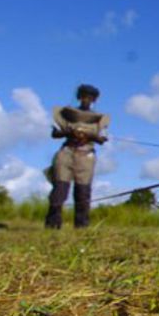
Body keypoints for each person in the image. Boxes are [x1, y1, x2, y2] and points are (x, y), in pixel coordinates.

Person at [44, 84, 110, 229]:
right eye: (84, 97)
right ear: (79, 97)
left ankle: (81, 227)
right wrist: (70, 132)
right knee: (59, 190)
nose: (87, 100)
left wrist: (90, 136)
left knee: (83, 192)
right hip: (67, 152)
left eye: (90, 98)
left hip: (86, 155)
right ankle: (52, 225)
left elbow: (102, 139)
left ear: (94, 100)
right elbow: (54, 134)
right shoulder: (66, 115)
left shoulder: (100, 119)